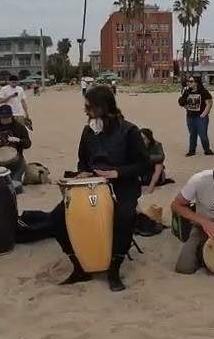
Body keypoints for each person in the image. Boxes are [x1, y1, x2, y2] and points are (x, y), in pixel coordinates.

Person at [50, 85, 150, 292]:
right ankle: (80, 266)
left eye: (89, 107)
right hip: (91, 184)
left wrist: (117, 173)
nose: (85, 111)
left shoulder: (129, 130)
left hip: (123, 184)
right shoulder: (88, 131)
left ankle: (114, 269)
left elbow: (144, 164)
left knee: (123, 217)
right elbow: (82, 161)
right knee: (57, 218)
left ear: (102, 106)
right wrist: (83, 173)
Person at [171, 162, 214, 274]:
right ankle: (203, 255)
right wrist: (203, 222)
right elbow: (176, 205)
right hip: (203, 225)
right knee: (184, 267)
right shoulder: (199, 180)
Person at [0, 104, 33, 184]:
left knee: (14, 185)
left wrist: (19, 140)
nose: (6, 119)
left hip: (17, 162)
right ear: (0, 116)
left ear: (11, 115)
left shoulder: (19, 127)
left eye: (8, 117)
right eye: (3, 117)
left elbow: (28, 144)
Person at [179, 75, 214, 156]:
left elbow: (209, 103)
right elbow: (181, 101)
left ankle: (207, 149)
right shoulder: (187, 92)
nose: (189, 83)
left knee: (203, 135)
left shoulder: (203, 92)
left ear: (197, 83)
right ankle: (192, 150)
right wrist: (186, 107)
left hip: (201, 117)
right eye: (188, 81)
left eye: (191, 81)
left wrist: (204, 114)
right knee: (192, 134)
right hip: (190, 116)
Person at [139, 128, 173, 193]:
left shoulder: (156, 145)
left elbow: (161, 157)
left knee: (159, 164)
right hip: (142, 174)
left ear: (149, 139)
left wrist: (146, 158)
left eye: (143, 139)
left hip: (155, 174)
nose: (141, 141)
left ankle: (151, 187)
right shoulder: (137, 146)